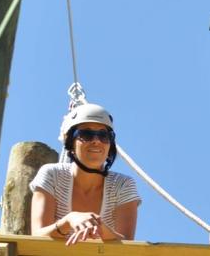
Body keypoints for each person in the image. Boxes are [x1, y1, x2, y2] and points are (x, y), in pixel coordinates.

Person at [31, 103, 140, 244]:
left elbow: (127, 244)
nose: (96, 141)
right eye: (86, 134)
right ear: (70, 142)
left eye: (103, 135)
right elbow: (37, 236)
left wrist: (100, 227)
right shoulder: (52, 175)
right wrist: (69, 220)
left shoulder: (123, 185)